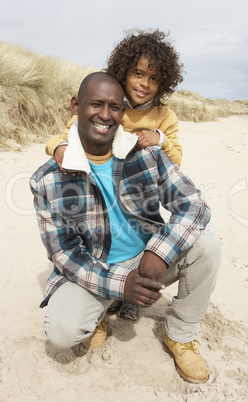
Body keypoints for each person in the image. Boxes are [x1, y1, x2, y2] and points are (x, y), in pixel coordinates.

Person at [30, 72, 221, 384]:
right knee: (62, 333)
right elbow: (64, 254)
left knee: (208, 246)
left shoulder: (146, 154)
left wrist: (159, 252)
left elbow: (194, 204)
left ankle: (180, 336)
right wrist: (122, 284)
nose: (105, 115)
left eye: (115, 107)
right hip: (95, 270)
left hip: (147, 261)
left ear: (123, 112)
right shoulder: (47, 179)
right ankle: (114, 303)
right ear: (76, 106)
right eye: (96, 104)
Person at [45, 29, 184, 321]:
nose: (145, 84)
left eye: (154, 78)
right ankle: (106, 297)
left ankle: (133, 301)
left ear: (164, 83)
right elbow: (66, 133)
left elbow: (176, 159)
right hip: (102, 191)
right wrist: (58, 149)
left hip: (139, 190)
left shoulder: (164, 115)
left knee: (152, 233)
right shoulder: (106, 103)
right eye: (137, 73)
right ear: (123, 73)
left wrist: (159, 138)